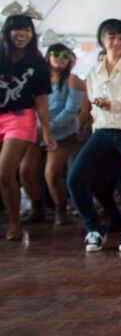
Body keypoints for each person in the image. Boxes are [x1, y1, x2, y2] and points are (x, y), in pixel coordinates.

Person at [66, 19, 121, 252]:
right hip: (102, 130)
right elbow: (93, 105)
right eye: (111, 37)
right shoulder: (94, 72)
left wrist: (110, 104)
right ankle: (94, 229)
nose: (116, 42)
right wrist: (98, 115)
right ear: (102, 40)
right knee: (75, 178)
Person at [0, 14, 56, 240]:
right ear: (8, 32)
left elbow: (41, 99)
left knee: (5, 172)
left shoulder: (37, 62)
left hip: (21, 118)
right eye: (17, 30)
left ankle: (15, 223)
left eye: (27, 30)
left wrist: (46, 130)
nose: (22, 34)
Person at [19, 43, 85, 226]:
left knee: (52, 174)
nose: (60, 58)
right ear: (48, 56)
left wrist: (47, 129)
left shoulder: (73, 80)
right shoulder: (37, 78)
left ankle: (60, 209)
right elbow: (28, 103)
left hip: (62, 134)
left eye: (65, 55)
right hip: (35, 131)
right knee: (25, 171)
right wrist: (37, 128)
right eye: (56, 54)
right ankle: (37, 208)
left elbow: (71, 111)